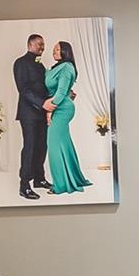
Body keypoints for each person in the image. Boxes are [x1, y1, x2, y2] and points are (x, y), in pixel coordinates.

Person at [44, 40, 92, 194]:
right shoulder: (58, 67)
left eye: (58, 49)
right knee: (64, 144)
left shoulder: (66, 67)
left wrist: (49, 110)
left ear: (66, 52)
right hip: (61, 106)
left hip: (61, 109)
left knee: (53, 146)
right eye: (54, 49)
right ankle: (74, 178)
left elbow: (60, 92)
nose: (54, 52)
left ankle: (61, 185)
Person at [11, 34, 53, 199]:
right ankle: (24, 186)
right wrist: (42, 103)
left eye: (43, 44)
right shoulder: (21, 63)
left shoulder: (40, 65)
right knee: (30, 147)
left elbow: (44, 88)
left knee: (42, 146)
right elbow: (24, 89)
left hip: (41, 113)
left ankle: (39, 179)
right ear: (29, 45)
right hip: (28, 114)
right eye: (38, 44)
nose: (42, 47)